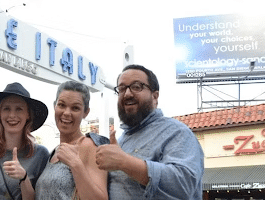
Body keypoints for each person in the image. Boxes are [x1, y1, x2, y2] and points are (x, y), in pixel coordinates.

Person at [95, 64, 204, 199]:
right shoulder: (121, 140)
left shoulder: (177, 132)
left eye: (136, 87)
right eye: (122, 88)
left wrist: (124, 162)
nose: (127, 94)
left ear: (155, 96)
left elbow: (183, 185)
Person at [0, 82, 49, 200]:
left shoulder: (40, 154)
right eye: (6, 109)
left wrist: (24, 178)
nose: (12, 115)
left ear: (28, 115)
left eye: (19, 109)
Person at [35, 81, 108, 200]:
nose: (67, 113)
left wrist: (75, 164)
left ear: (85, 112)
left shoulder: (88, 146)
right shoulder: (54, 152)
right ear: (55, 106)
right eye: (62, 105)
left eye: (75, 108)